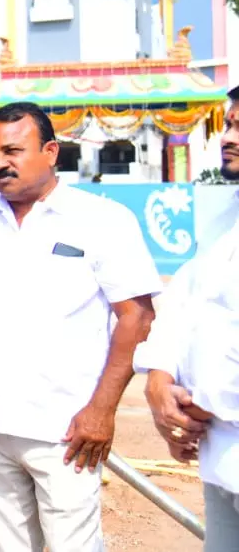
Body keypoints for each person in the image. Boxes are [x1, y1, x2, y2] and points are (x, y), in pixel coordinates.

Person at [0, 101, 160, 552]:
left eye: (13, 151)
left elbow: (136, 316)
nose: (0, 163)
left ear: (51, 151)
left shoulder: (102, 220)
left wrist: (102, 410)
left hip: (67, 430)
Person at [135, 85, 239, 552]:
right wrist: (159, 382)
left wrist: (199, 406)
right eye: (230, 125)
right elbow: (181, 309)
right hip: (220, 458)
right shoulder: (222, 218)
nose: (228, 138)